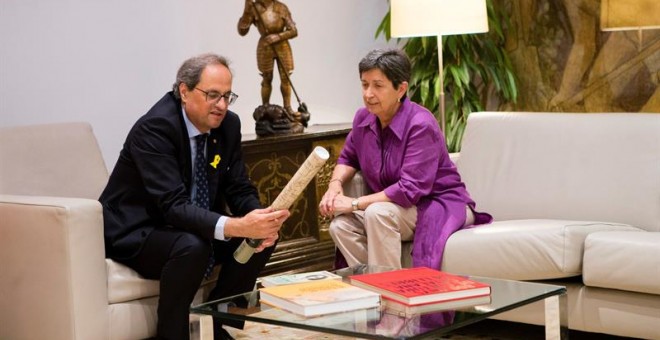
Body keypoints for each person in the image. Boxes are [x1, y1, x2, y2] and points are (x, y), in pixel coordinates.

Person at [99, 53, 290, 340]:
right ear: (184, 91)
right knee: (193, 246)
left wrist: (260, 219)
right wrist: (237, 225)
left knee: (260, 240)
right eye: (213, 95)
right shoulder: (154, 129)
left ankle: (219, 324)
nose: (222, 105)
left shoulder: (228, 125)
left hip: (187, 225)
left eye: (228, 96)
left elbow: (238, 186)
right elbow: (172, 206)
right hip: (138, 230)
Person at [319, 48, 492, 270]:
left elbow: (409, 190)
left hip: (437, 204)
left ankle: (393, 295)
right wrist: (334, 186)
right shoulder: (363, 118)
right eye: (364, 84)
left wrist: (353, 203)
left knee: (377, 213)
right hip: (393, 207)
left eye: (378, 86)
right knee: (341, 226)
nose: (368, 94)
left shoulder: (420, 124)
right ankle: (374, 288)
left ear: (401, 88)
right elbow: (348, 157)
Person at [237, 0, 298, 115]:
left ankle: (288, 107)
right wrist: (246, 10)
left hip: (282, 46)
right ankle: (265, 107)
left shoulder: (281, 8)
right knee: (267, 78)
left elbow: (293, 31)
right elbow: (242, 31)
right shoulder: (255, 8)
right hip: (265, 46)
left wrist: (278, 36)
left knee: (285, 78)